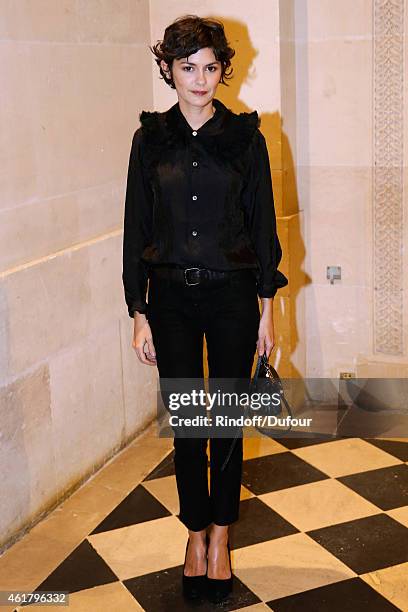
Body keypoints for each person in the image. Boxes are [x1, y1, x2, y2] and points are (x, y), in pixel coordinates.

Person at [122, 14, 288, 604]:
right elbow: (135, 227)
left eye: (210, 66)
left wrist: (268, 309)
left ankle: (221, 537)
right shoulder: (150, 139)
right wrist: (138, 310)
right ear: (168, 68)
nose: (200, 78)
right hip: (169, 301)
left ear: (223, 69)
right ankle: (193, 535)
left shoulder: (246, 137)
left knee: (225, 425)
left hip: (234, 298)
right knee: (189, 428)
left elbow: (264, 227)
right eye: (187, 66)